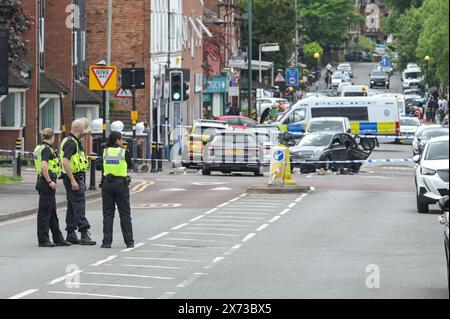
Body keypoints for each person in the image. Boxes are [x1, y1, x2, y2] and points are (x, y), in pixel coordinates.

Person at [34, 129, 72, 248]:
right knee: (45, 213)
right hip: (46, 182)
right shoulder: (46, 149)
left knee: (51, 212)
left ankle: (58, 238)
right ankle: (43, 239)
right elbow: (44, 165)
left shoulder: (39, 147)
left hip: (42, 181)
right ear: (53, 137)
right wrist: (50, 181)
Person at [60, 119, 96, 245]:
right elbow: (65, 161)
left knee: (72, 206)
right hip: (74, 178)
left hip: (73, 177)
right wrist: (73, 180)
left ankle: (70, 233)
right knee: (80, 206)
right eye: (83, 130)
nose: (84, 133)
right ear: (79, 129)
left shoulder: (70, 141)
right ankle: (84, 233)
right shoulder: (71, 143)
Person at [100, 131, 134, 248]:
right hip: (120, 184)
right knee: (124, 214)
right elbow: (130, 165)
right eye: (121, 139)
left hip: (107, 184)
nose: (122, 141)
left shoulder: (105, 151)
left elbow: (101, 166)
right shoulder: (124, 152)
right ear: (117, 140)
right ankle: (129, 242)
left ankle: (106, 242)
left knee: (108, 214)